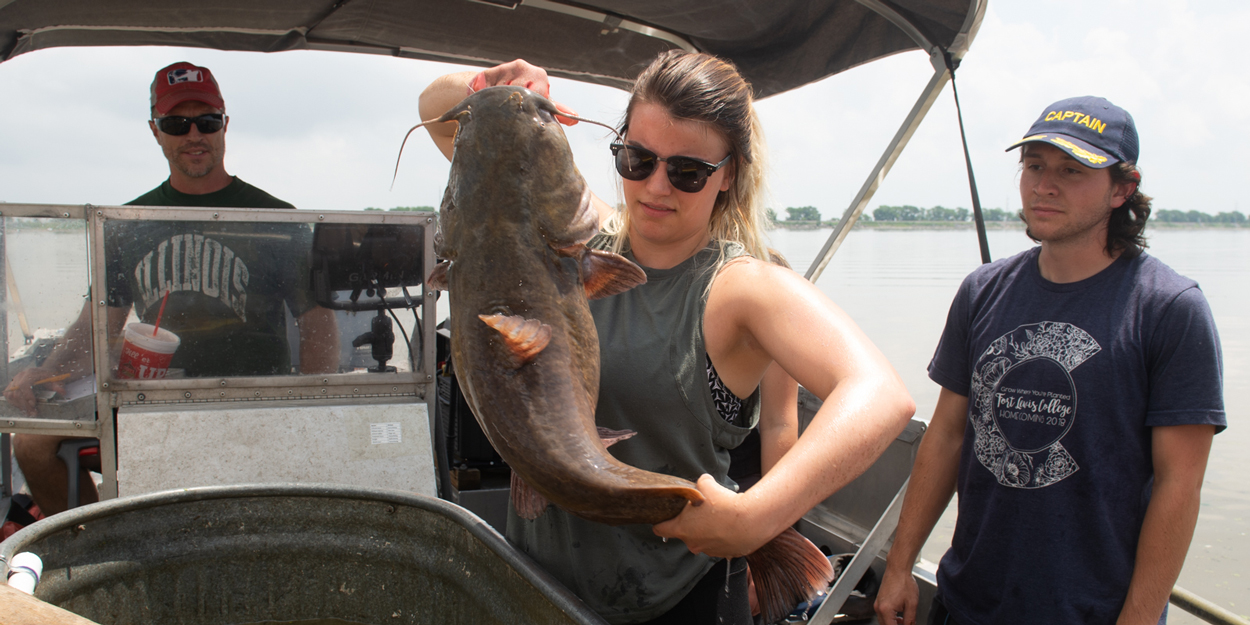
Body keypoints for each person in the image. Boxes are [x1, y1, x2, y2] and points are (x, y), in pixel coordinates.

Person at [420, 53, 915, 624]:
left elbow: (881, 393)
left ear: (728, 173)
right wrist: (504, 90)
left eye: (687, 172)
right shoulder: (570, 240)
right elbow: (437, 110)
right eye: (638, 159)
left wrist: (758, 520)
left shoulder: (743, 288)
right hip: (538, 585)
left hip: (676, 598)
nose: (656, 187)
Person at [874, 96, 1225, 625]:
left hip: (1090, 611)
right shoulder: (983, 291)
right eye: (1034, 166)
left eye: (1072, 171)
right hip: (968, 599)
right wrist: (900, 564)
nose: (1044, 185)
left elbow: (1180, 485)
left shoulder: (1168, 309)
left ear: (1122, 189)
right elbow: (946, 435)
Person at [3, 61, 339, 516]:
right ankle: (97, 550)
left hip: (252, 399)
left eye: (207, 121)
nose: (193, 135)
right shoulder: (127, 224)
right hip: (153, 402)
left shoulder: (276, 218)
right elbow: (95, 329)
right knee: (30, 444)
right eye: (177, 124)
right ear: (155, 131)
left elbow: (317, 320)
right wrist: (45, 370)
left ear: (225, 125)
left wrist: (312, 406)